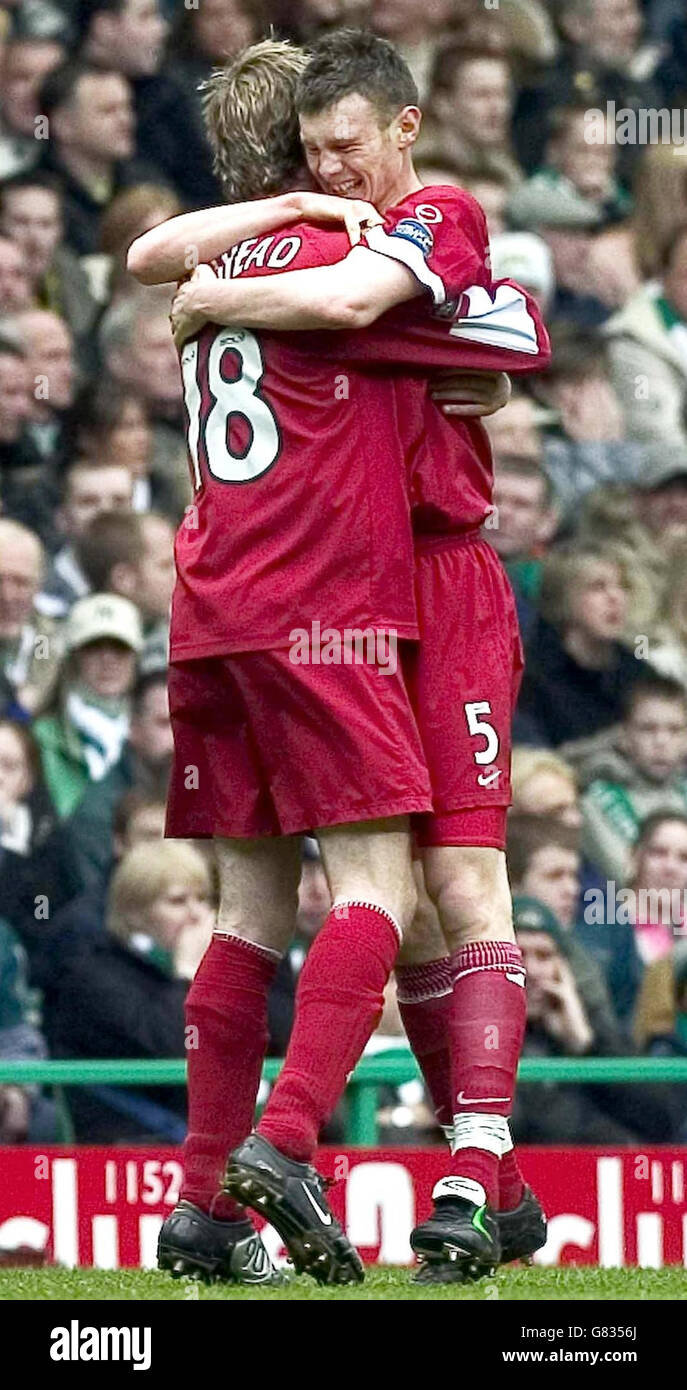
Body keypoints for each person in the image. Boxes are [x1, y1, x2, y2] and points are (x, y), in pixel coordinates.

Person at [132, 30, 549, 1285]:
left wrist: (207, 294)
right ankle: (331, 1154)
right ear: (292, 157)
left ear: (395, 132)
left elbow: (501, 326)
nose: (335, 164)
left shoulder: (411, 225)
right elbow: (511, 332)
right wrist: (502, 349)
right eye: (315, 150)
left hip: (374, 582)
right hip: (346, 589)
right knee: (396, 893)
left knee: (446, 888)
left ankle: (479, 1180)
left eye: (345, 144)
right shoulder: (345, 251)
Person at [43, 840, 214, 1143]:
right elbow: (170, 1046)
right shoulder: (92, 975)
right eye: (177, 901)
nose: (197, 915)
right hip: (125, 1144)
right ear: (134, 912)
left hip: (198, 1138)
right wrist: (186, 970)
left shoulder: (203, 969)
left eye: (202, 899)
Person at [32, 592, 142, 818]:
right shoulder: (42, 738)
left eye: (119, 648)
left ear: (135, 658)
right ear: (73, 657)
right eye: (93, 647)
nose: (108, 659)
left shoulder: (154, 734)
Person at [581, 674, 687, 883]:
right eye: (648, 729)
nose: (661, 741)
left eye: (674, 730)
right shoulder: (597, 802)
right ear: (624, 736)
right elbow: (628, 877)